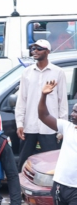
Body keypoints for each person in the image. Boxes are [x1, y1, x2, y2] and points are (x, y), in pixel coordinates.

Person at [16, 39, 68, 167]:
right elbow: (21, 99)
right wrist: (19, 123)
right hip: (30, 125)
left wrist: (61, 128)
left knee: (52, 164)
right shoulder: (26, 72)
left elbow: (63, 102)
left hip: (50, 127)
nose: (35, 51)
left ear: (47, 51)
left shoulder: (58, 72)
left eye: (39, 49)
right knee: (23, 162)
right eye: (33, 49)